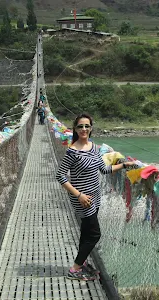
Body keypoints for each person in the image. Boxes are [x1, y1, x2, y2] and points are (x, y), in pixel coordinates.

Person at [55, 113, 135, 281]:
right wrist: (79, 195)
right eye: (80, 126)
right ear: (75, 129)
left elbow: (104, 169)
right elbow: (60, 176)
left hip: (95, 196)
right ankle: (74, 270)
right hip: (83, 200)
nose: (84, 129)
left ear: (91, 128)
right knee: (94, 235)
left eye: (87, 126)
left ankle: (81, 262)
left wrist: (124, 165)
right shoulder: (72, 151)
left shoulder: (94, 147)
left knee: (86, 232)